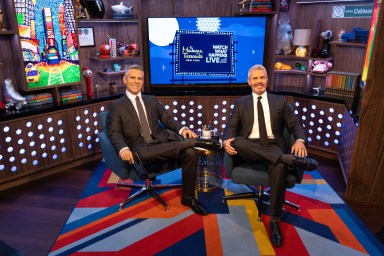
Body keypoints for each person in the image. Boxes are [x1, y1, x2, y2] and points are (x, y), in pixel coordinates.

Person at [222, 64, 318, 247]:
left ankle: (274, 222)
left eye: (262, 77)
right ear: (249, 82)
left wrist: (300, 141)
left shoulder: (280, 101)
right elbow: (230, 128)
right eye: (255, 78)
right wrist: (227, 140)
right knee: (238, 141)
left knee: (280, 165)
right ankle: (289, 159)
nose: (259, 81)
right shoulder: (240, 103)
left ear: (267, 79)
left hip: (274, 147)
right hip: (250, 148)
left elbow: (296, 124)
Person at [107, 64, 221, 216]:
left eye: (139, 78)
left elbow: (167, 120)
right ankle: (195, 142)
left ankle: (188, 197)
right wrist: (123, 148)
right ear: (125, 80)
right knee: (143, 154)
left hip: (161, 142)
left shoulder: (151, 100)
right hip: (140, 149)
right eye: (132, 78)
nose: (136, 81)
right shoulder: (117, 105)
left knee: (191, 153)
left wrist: (183, 129)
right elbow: (113, 132)